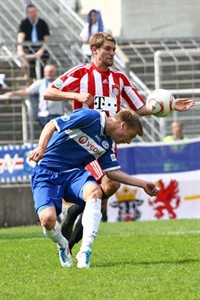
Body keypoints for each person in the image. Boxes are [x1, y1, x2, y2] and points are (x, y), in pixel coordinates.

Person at [43, 32, 195, 255]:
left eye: (114, 49)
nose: (112, 53)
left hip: (108, 143)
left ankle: (72, 220)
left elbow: (138, 109)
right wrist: (75, 97)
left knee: (107, 189)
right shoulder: (80, 72)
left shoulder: (120, 79)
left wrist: (169, 105)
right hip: (83, 143)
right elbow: (48, 92)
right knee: (104, 188)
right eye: (108, 49)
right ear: (95, 50)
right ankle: (72, 241)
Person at [29, 108, 158, 268]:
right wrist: (41, 147)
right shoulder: (91, 117)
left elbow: (112, 173)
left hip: (73, 174)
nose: (129, 141)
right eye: (130, 136)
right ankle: (63, 244)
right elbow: (52, 124)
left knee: (95, 192)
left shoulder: (107, 144)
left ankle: (85, 251)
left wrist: (143, 184)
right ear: (123, 125)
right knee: (48, 220)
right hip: (46, 172)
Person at [2, 65, 67, 129]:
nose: (48, 73)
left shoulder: (60, 82)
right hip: (43, 115)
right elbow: (27, 91)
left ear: (55, 72)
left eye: (50, 71)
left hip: (57, 115)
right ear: (44, 73)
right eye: (47, 72)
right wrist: (12, 93)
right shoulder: (40, 83)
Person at [17, 4, 50, 79]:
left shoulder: (42, 23)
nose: (33, 14)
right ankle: (30, 81)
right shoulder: (24, 23)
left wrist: (41, 50)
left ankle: (42, 81)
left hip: (40, 47)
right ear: (27, 13)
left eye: (34, 11)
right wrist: (20, 49)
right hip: (28, 47)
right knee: (29, 67)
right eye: (31, 12)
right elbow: (20, 36)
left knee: (43, 63)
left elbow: (46, 38)